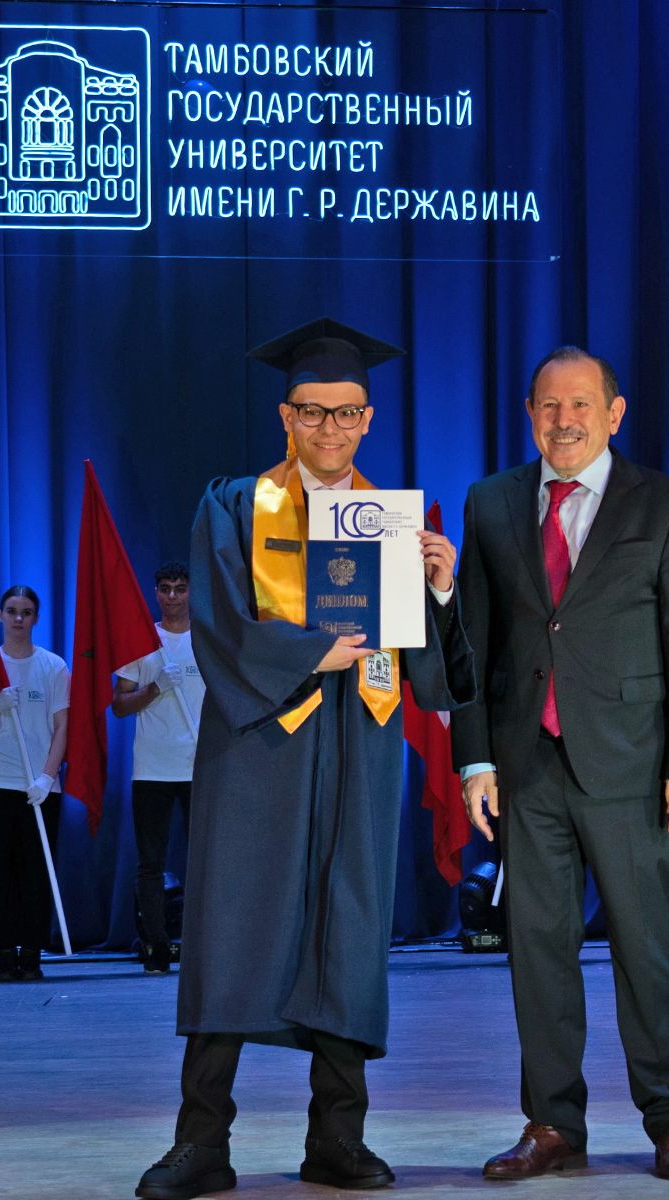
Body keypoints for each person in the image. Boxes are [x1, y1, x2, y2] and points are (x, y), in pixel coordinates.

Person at [137, 318, 473, 1199]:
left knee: (349, 932)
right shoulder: (236, 505)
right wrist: (303, 656)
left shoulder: (392, 522)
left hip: (360, 747)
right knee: (232, 928)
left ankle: (339, 1137)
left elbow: (435, 683)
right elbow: (215, 623)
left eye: (347, 413)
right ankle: (201, 1142)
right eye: (312, 412)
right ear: (285, 414)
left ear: (368, 418)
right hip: (260, 748)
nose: (330, 429)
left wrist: (440, 588)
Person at [454, 345, 669, 1182]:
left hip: (637, 769)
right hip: (527, 768)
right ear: (529, 413)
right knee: (537, 952)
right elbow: (472, 646)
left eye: (579, 406)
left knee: (647, 949)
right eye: (547, 406)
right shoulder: (492, 503)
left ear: (614, 412)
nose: (562, 421)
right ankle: (552, 1123)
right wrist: (475, 762)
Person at [0, 585, 69, 984]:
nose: (19, 619)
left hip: (40, 787)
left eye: (26, 612)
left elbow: (62, 727)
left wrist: (48, 775)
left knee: (36, 873)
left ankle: (31, 952)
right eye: (12, 611)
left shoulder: (54, 666)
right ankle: (4, 953)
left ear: (36, 617)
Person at [113, 561, 204, 975]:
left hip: (200, 765)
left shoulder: (207, 640)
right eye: (165, 588)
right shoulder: (142, 641)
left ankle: (206, 943)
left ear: (189, 592)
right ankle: (156, 947)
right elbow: (119, 705)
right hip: (152, 767)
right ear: (155, 592)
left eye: (179, 588)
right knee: (150, 862)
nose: (172, 596)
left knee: (204, 859)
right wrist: (155, 688)